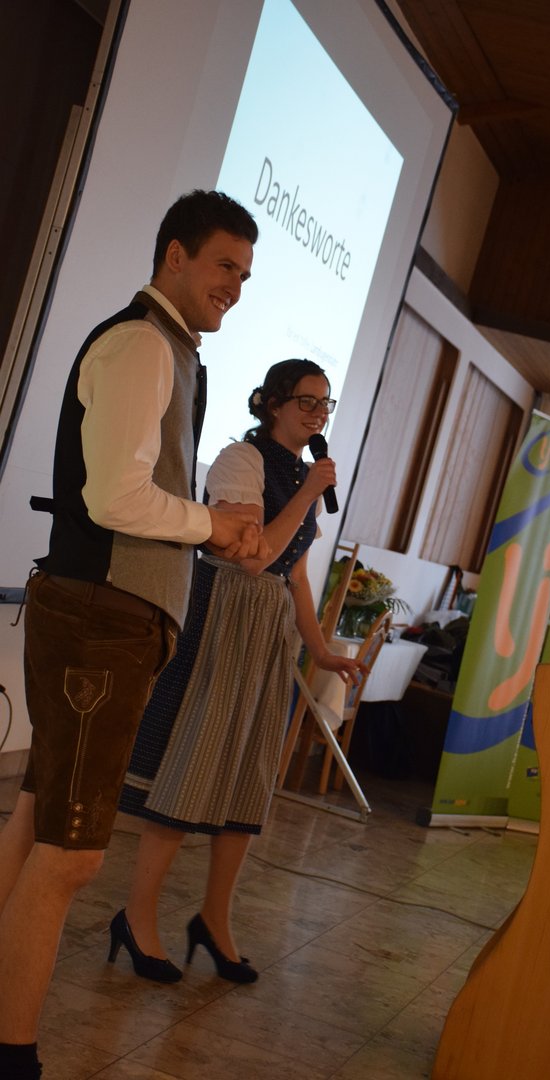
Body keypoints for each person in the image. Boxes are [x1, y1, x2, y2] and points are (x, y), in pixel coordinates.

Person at [0, 190, 264, 1080]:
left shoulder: (170, 350)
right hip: (100, 620)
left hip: (108, 617)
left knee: (37, 821)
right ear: (175, 255)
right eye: (224, 265)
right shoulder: (144, 343)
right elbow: (113, 498)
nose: (235, 286)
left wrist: (207, 530)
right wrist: (212, 524)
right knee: (70, 856)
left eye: (245, 274)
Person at [113, 358, 362, 985]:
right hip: (222, 615)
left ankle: (214, 921)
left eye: (325, 404)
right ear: (273, 403)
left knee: (249, 776)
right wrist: (307, 493)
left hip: (267, 630)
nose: (318, 414)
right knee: (188, 765)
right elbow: (254, 557)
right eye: (306, 401)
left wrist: (320, 652)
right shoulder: (240, 460)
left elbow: (294, 575)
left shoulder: (301, 475)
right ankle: (137, 917)